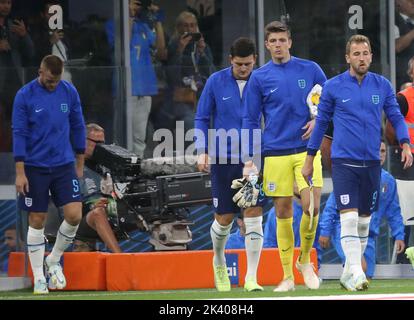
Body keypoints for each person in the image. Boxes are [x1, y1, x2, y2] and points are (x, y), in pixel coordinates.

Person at [302, 34, 413, 291]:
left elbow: (395, 117)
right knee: (349, 218)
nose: (361, 58)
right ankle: (355, 271)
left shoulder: (382, 85)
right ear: (347, 57)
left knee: (364, 221)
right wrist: (310, 159)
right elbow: (321, 126)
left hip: (372, 163)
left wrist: (405, 143)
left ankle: (347, 272)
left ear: (371, 56)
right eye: (356, 54)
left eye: (365, 54)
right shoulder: (333, 87)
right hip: (343, 162)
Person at [242, 21, 327, 292]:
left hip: (306, 152)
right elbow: (251, 119)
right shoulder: (259, 77)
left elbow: (328, 100)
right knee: (282, 211)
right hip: (275, 153)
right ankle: (287, 276)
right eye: (273, 41)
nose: (278, 45)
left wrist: (319, 122)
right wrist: (250, 158)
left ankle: (305, 261)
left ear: (290, 42)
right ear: (266, 45)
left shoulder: (311, 69)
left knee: (312, 209)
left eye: (282, 40)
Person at [195, 37, 266, 292]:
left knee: (253, 215)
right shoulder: (215, 81)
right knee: (224, 219)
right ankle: (219, 260)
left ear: (255, 60)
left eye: (248, 64)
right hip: (223, 159)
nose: (244, 68)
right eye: (239, 64)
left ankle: (251, 277)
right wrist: (202, 150)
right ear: (230, 60)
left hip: (253, 160)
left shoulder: (262, 81)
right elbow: (202, 117)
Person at [12, 54, 86, 295]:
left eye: (57, 80)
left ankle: (53, 260)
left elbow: (78, 124)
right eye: (50, 80)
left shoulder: (69, 91)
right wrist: (20, 172)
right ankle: (39, 278)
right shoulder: (24, 95)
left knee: (74, 215)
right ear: (41, 72)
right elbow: (19, 132)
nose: (54, 84)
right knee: (37, 219)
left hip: (64, 164)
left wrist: (79, 160)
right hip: (35, 167)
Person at [318, 141, 406, 280]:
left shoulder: (388, 181)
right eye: (377, 150)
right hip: (344, 228)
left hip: (369, 234)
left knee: (367, 276)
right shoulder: (353, 174)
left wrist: (399, 235)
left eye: (383, 151)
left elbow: (394, 211)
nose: (380, 154)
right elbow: (331, 205)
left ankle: (346, 282)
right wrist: (325, 231)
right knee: (361, 268)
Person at [105, 0, 167, 158]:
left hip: (145, 87)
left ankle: (135, 172)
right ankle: (120, 173)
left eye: (137, 4)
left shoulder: (143, 26)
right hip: (125, 88)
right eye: (131, 3)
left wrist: (157, 20)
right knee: (122, 136)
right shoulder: (113, 25)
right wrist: (129, 17)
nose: (134, 7)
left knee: (139, 138)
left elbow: (161, 53)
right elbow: (124, 47)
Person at [75, 123, 122, 253]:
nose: (101, 147)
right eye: (97, 142)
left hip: (109, 211)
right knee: (97, 213)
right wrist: (91, 206)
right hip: (78, 220)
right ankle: (120, 258)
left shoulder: (105, 165)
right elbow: (65, 205)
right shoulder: (70, 165)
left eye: (103, 143)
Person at [167, 11, 215, 136]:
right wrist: (180, 50)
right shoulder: (173, 46)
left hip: (202, 97)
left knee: (213, 127)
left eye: (192, 25)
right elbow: (171, 76)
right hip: (182, 100)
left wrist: (202, 52)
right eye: (186, 25)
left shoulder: (202, 47)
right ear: (178, 28)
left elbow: (212, 73)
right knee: (192, 127)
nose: (189, 29)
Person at [0, 0, 34, 152]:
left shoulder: (14, 26)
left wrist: (24, 35)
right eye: (2, 2)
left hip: (15, 85)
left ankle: (16, 159)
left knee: (17, 126)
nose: (6, 6)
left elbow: (30, 54)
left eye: (8, 2)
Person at [29, 0, 72, 81]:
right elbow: (33, 54)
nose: (54, 17)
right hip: (47, 79)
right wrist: (50, 42)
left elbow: (70, 53)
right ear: (42, 14)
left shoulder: (64, 31)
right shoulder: (36, 31)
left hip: (66, 77)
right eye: (50, 14)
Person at [395, 0, 414, 90]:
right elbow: (396, 46)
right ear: (398, 2)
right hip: (401, 78)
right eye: (409, 0)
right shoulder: (390, 19)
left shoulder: (411, 21)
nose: (413, 2)